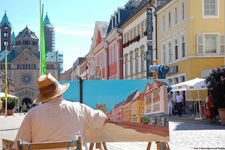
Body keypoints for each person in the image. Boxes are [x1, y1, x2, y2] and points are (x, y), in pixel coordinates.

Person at [14, 73, 108, 149]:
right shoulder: (78, 108)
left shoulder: (32, 114)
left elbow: (18, 145)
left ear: (43, 96)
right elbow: (103, 119)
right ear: (60, 93)